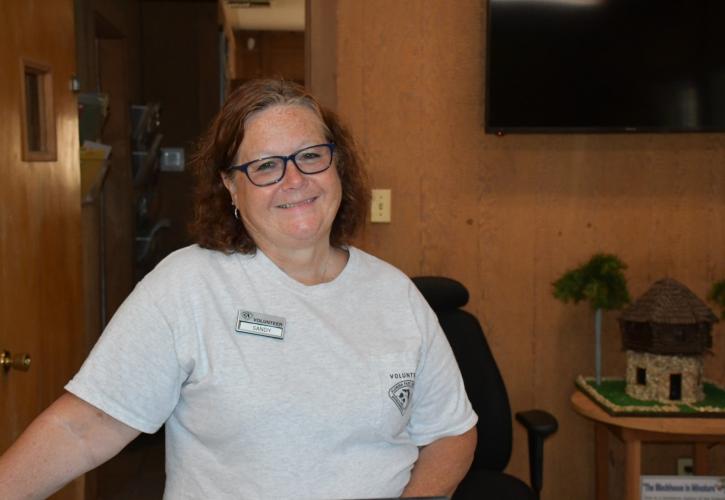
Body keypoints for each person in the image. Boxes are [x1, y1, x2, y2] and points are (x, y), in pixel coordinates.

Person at [0, 79, 477, 499]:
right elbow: (82, 428)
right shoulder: (188, 287)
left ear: (338, 167)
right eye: (266, 166)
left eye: (311, 156)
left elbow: (451, 432)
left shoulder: (396, 296)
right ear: (230, 187)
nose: (295, 180)